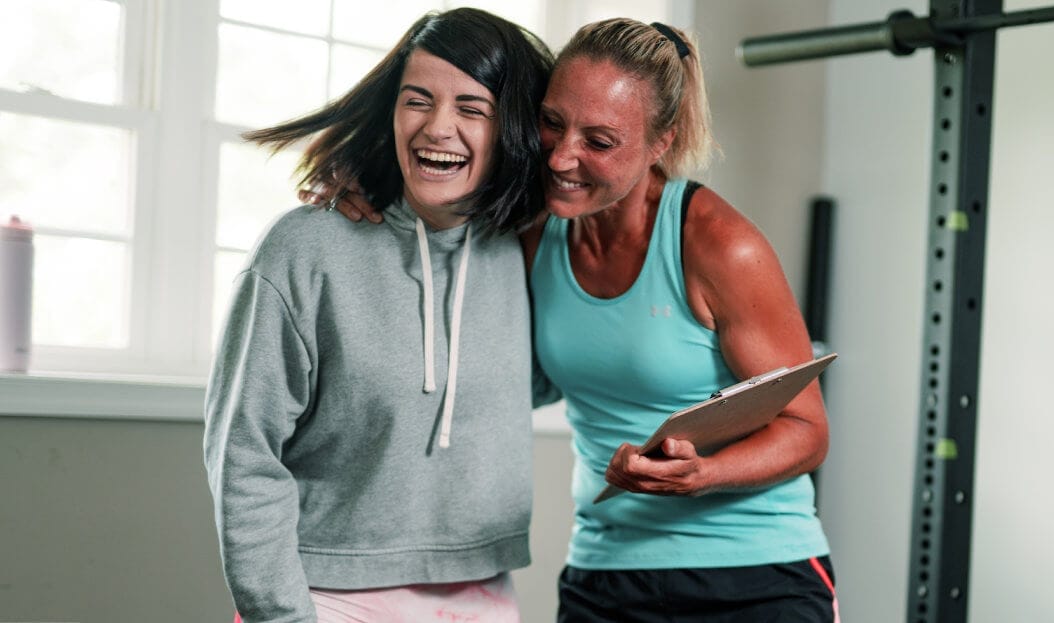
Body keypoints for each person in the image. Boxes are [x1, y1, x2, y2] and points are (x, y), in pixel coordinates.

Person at [335, 17, 840, 623]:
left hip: (756, 574)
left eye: (599, 141)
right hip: (606, 573)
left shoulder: (719, 246)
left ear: (662, 143)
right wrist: (365, 188)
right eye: (552, 123)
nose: (562, 155)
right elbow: (441, 184)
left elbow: (808, 429)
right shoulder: (534, 231)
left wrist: (702, 472)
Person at [202, 8, 553, 623]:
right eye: (417, 101)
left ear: (512, 129)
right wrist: (283, 616)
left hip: (483, 592)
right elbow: (245, 455)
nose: (437, 128)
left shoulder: (519, 247)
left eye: (472, 109)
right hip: (325, 594)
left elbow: (537, 380)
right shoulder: (306, 248)